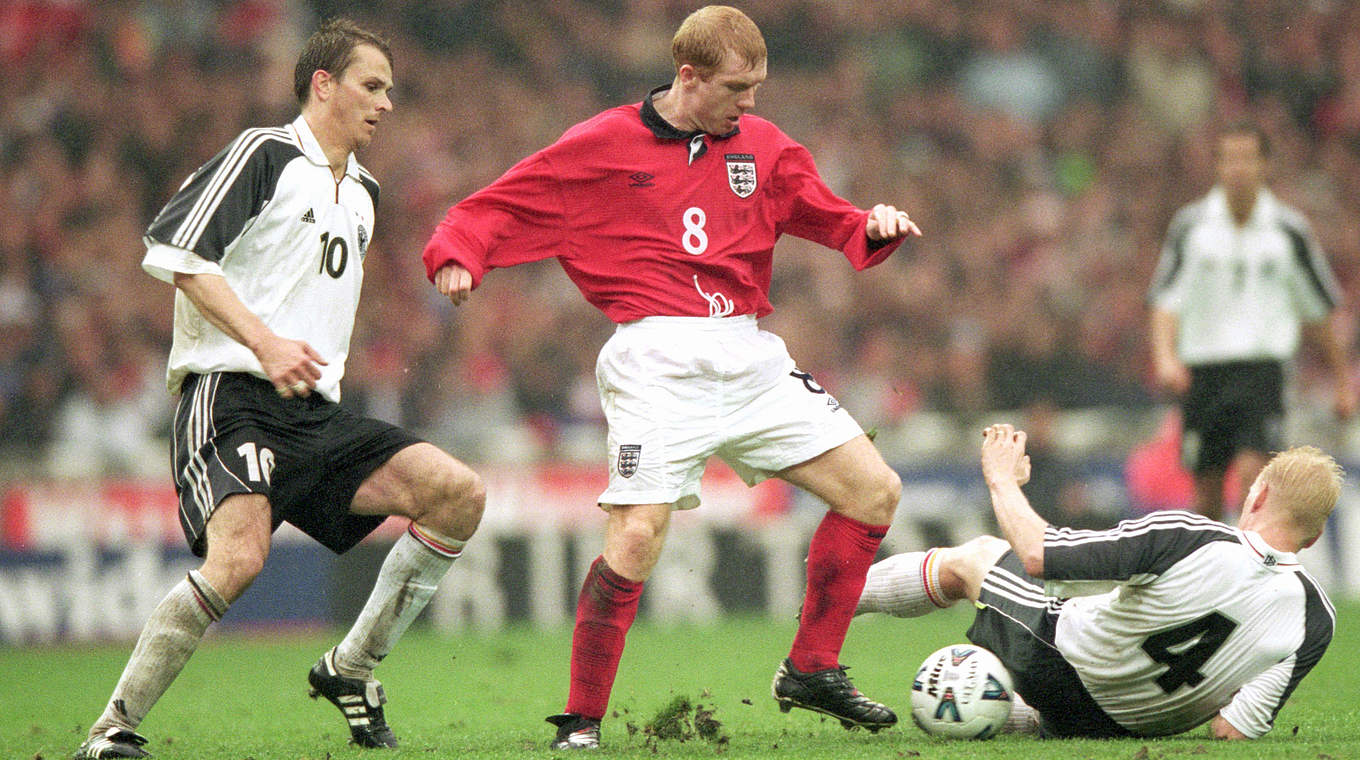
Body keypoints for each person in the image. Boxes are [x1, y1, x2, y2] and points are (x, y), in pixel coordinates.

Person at [421, 5, 920, 750]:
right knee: (637, 537)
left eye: (757, 87)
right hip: (654, 357)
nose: (750, 104)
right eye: (736, 88)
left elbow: (826, 214)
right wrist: (458, 252)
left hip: (749, 353)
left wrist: (868, 227)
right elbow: (499, 203)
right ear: (688, 77)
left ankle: (812, 668)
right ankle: (582, 721)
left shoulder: (766, 148)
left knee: (875, 490)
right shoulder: (602, 144)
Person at [75, 19, 486, 759]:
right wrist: (263, 342)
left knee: (458, 494)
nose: (386, 104)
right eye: (372, 86)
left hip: (313, 413)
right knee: (238, 561)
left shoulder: (364, 192)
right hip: (230, 395)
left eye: (391, 90)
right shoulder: (265, 153)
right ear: (322, 85)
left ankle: (352, 667)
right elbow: (175, 251)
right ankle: (111, 731)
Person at [857, 423, 1338, 740]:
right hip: (1123, 730)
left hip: (1058, 664)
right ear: (1314, 537)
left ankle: (830, 604)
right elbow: (1232, 730)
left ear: (1257, 496)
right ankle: (1014, 715)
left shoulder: (1190, 536)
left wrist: (1002, 480)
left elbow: (1037, 554)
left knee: (974, 558)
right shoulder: (1317, 620)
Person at [1148, 120, 1355, 521]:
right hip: (1203, 372)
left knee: (1251, 479)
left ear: (1265, 166)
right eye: (1229, 159)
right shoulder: (1191, 227)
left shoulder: (1289, 230)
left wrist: (1342, 381)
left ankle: (1249, 575)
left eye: (1247, 158)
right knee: (1205, 490)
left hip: (1262, 372)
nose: (1238, 168)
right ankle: (1208, 576)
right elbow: (1165, 300)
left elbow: (1318, 309)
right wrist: (1165, 357)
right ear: (1218, 166)